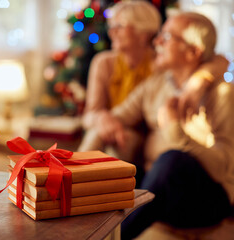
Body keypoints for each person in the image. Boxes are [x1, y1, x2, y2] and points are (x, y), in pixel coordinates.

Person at [97, 12, 234, 239]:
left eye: (167, 36)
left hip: (207, 197)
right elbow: (117, 116)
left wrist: (174, 130)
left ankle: (115, 235)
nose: (157, 41)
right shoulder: (157, 84)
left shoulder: (222, 94)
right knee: (121, 172)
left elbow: (223, 167)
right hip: (159, 187)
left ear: (193, 51)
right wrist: (104, 120)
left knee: (172, 159)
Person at [78, 1, 228, 166]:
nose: (111, 31)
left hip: (160, 156)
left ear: (142, 33)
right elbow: (96, 114)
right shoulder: (109, 64)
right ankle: (73, 175)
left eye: (120, 26)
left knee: (166, 159)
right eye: (111, 25)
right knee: (116, 138)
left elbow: (217, 59)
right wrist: (103, 119)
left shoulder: (161, 65)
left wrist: (199, 81)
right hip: (127, 140)